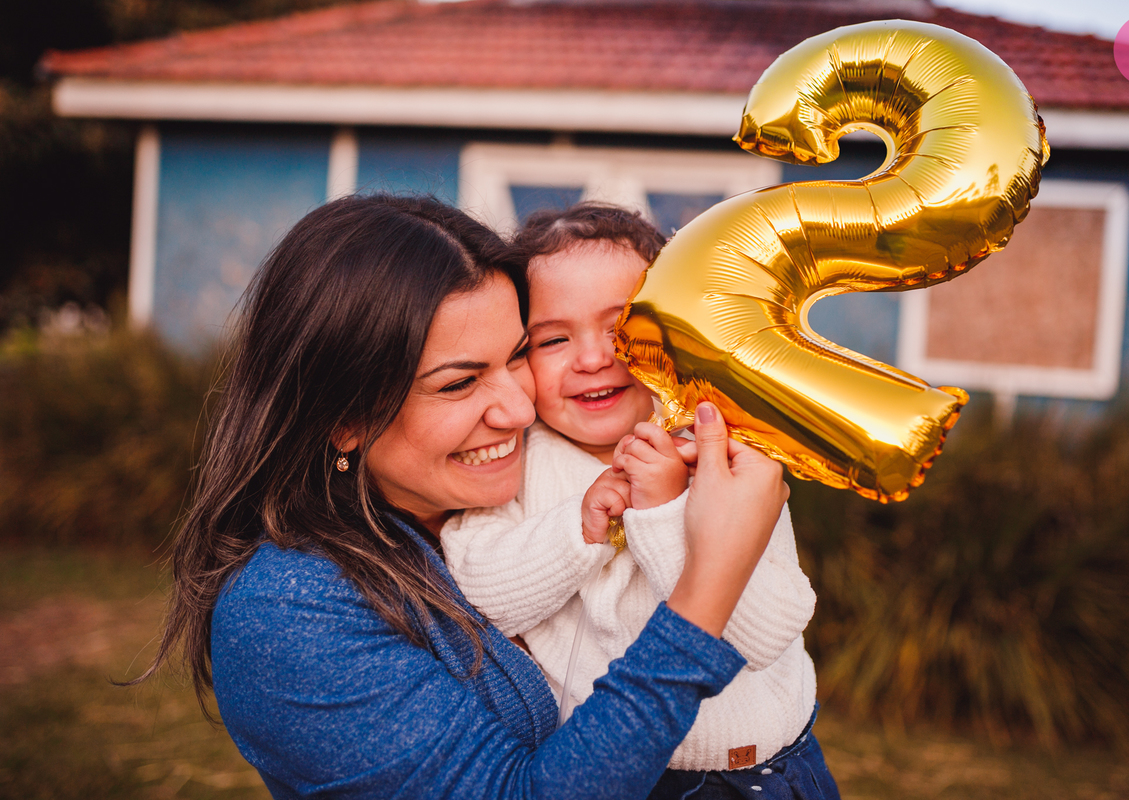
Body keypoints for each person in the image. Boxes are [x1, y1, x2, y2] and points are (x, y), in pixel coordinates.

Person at [137, 194, 791, 800]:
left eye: (516, 357)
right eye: (458, 384)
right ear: (344, 418)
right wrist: (707, 586)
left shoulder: (505, 497)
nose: (516, 407)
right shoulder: (287, 611)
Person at [441, 204, 839, 800]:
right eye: (553, 338)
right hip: (631, 775)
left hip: (776, 768)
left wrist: (666, 515)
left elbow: (765, 634)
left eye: (621, 325)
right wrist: (580, 529)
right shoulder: (513, 458)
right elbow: (482, 592)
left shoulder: (727, 449)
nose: (594, 357)